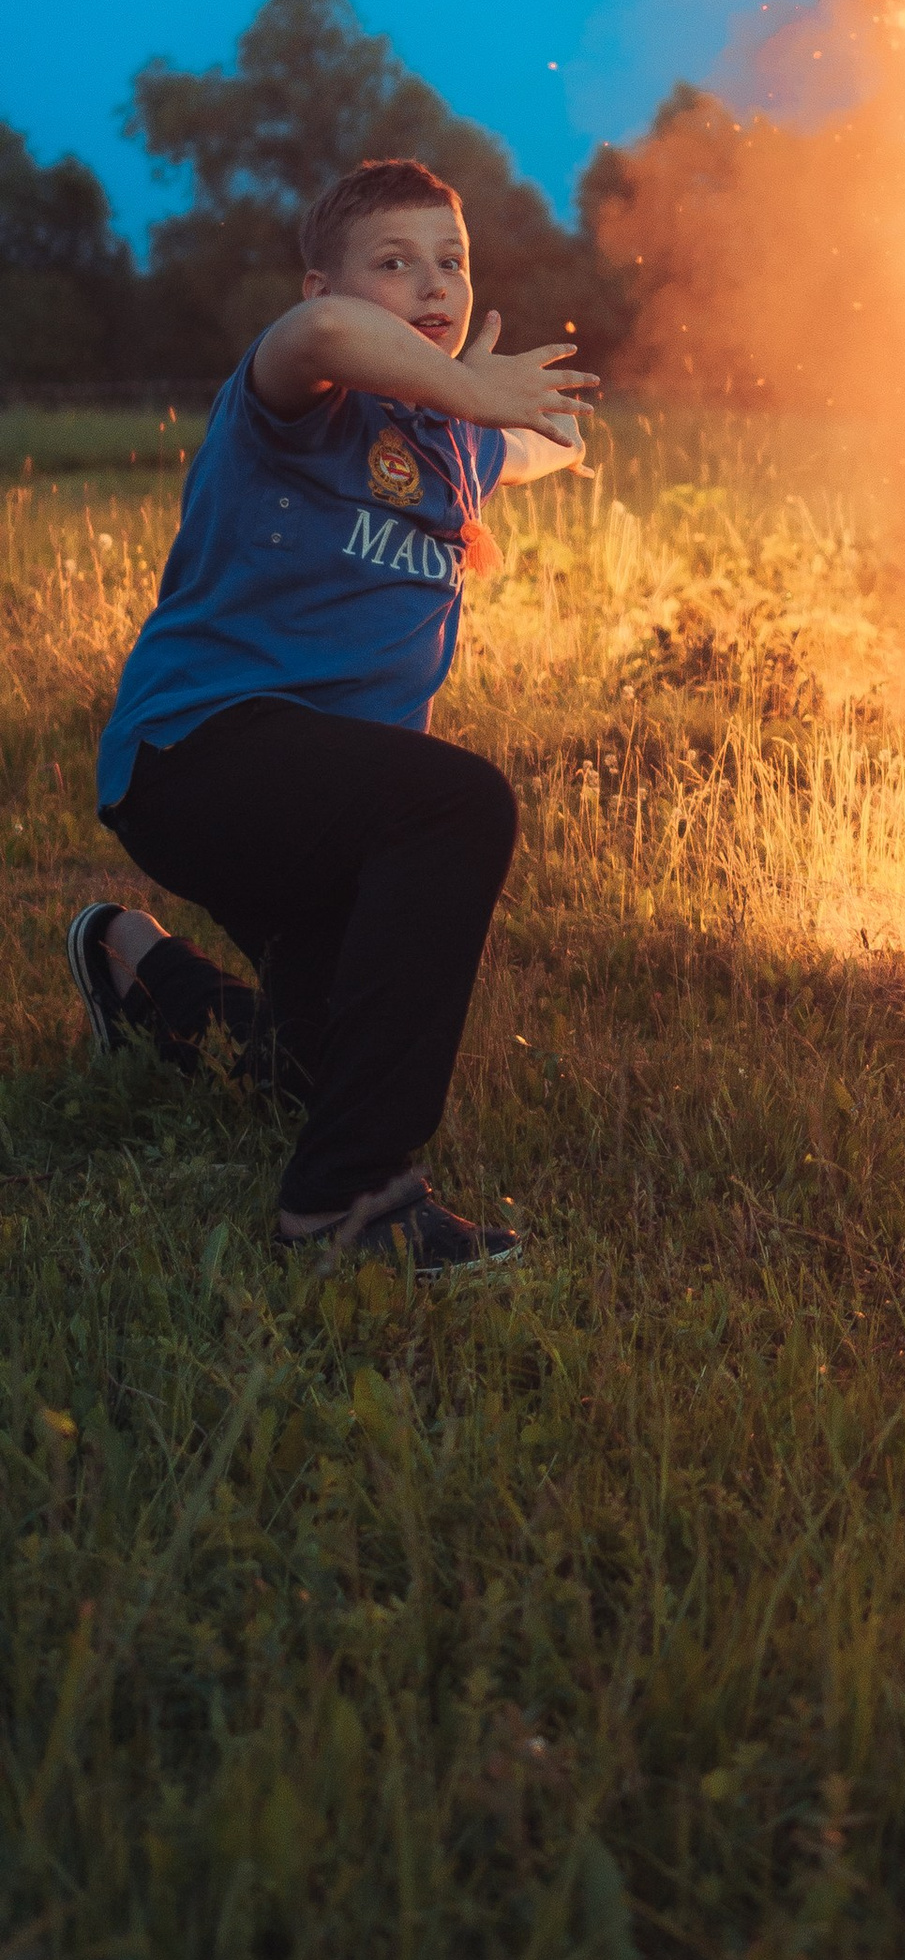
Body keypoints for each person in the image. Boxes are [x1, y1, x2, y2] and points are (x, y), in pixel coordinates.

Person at [68, 157, 597, 1271]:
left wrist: (530, 415)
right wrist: (473, 389)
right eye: (391, 264)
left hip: (321, 808)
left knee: (320, 1069)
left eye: (450, 260)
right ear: (324, 285)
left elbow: (550, 438)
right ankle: (347, 1210)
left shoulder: (457, 443)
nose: (431, 283)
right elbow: (318, 343)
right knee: (457, 805)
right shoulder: (301, 398)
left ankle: (138, 970)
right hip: (199, 752)